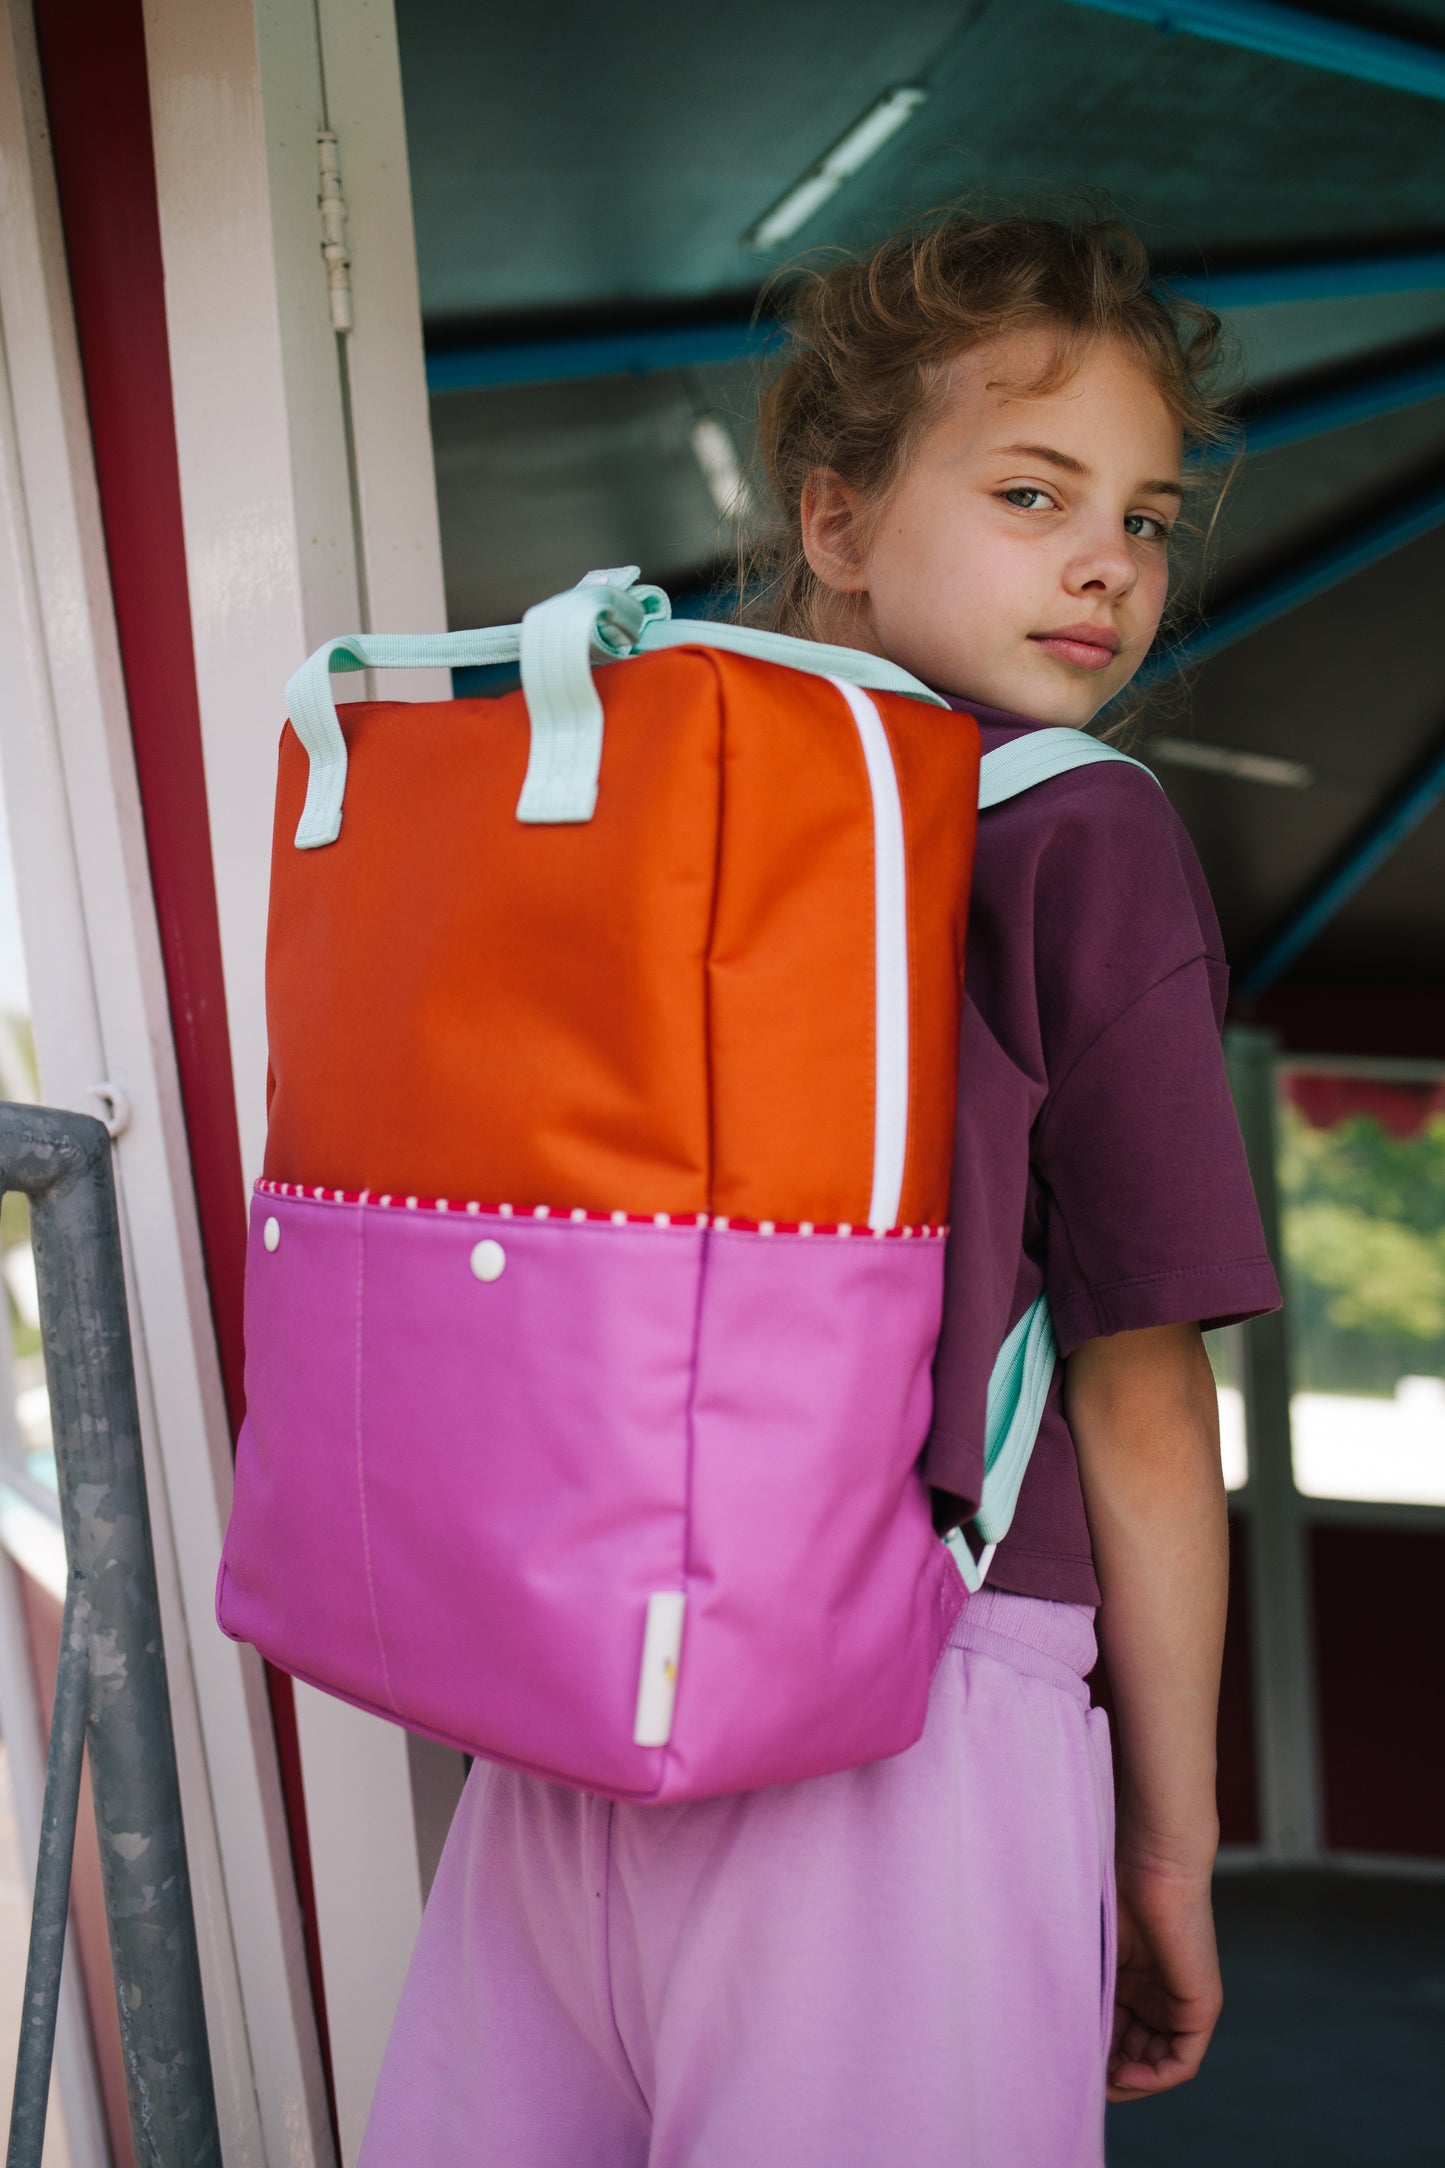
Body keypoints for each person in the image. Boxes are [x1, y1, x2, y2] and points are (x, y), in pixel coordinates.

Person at [359, 211, 1281, 2167]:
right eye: (1034, 493)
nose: (1108, 560)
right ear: (837, 520)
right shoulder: (1079, 836)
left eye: (1147, 515)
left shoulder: (631, 802)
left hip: (575, 1713)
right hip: (908, 1724)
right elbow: (1137, 1394)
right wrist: (1176, 1855)